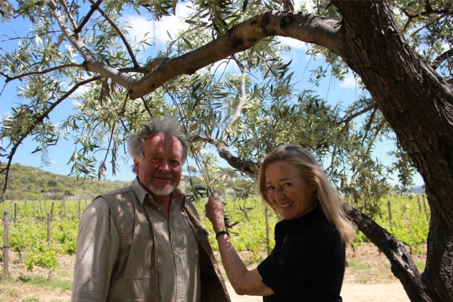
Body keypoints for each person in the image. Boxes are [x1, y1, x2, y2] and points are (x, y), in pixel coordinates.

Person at [72, 117, 230, 302]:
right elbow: (88, 293)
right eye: (156, 158)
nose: (165, 168)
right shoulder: (107, 210)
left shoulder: (187, 212)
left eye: (174, 162)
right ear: (137, 163)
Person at [205, 145, 355, 301]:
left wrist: (219, 226)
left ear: (312, 183)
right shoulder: (293, 229)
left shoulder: (316, 237)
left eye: (287, 184)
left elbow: (243, 283)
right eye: (271, 187)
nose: (278, 196)